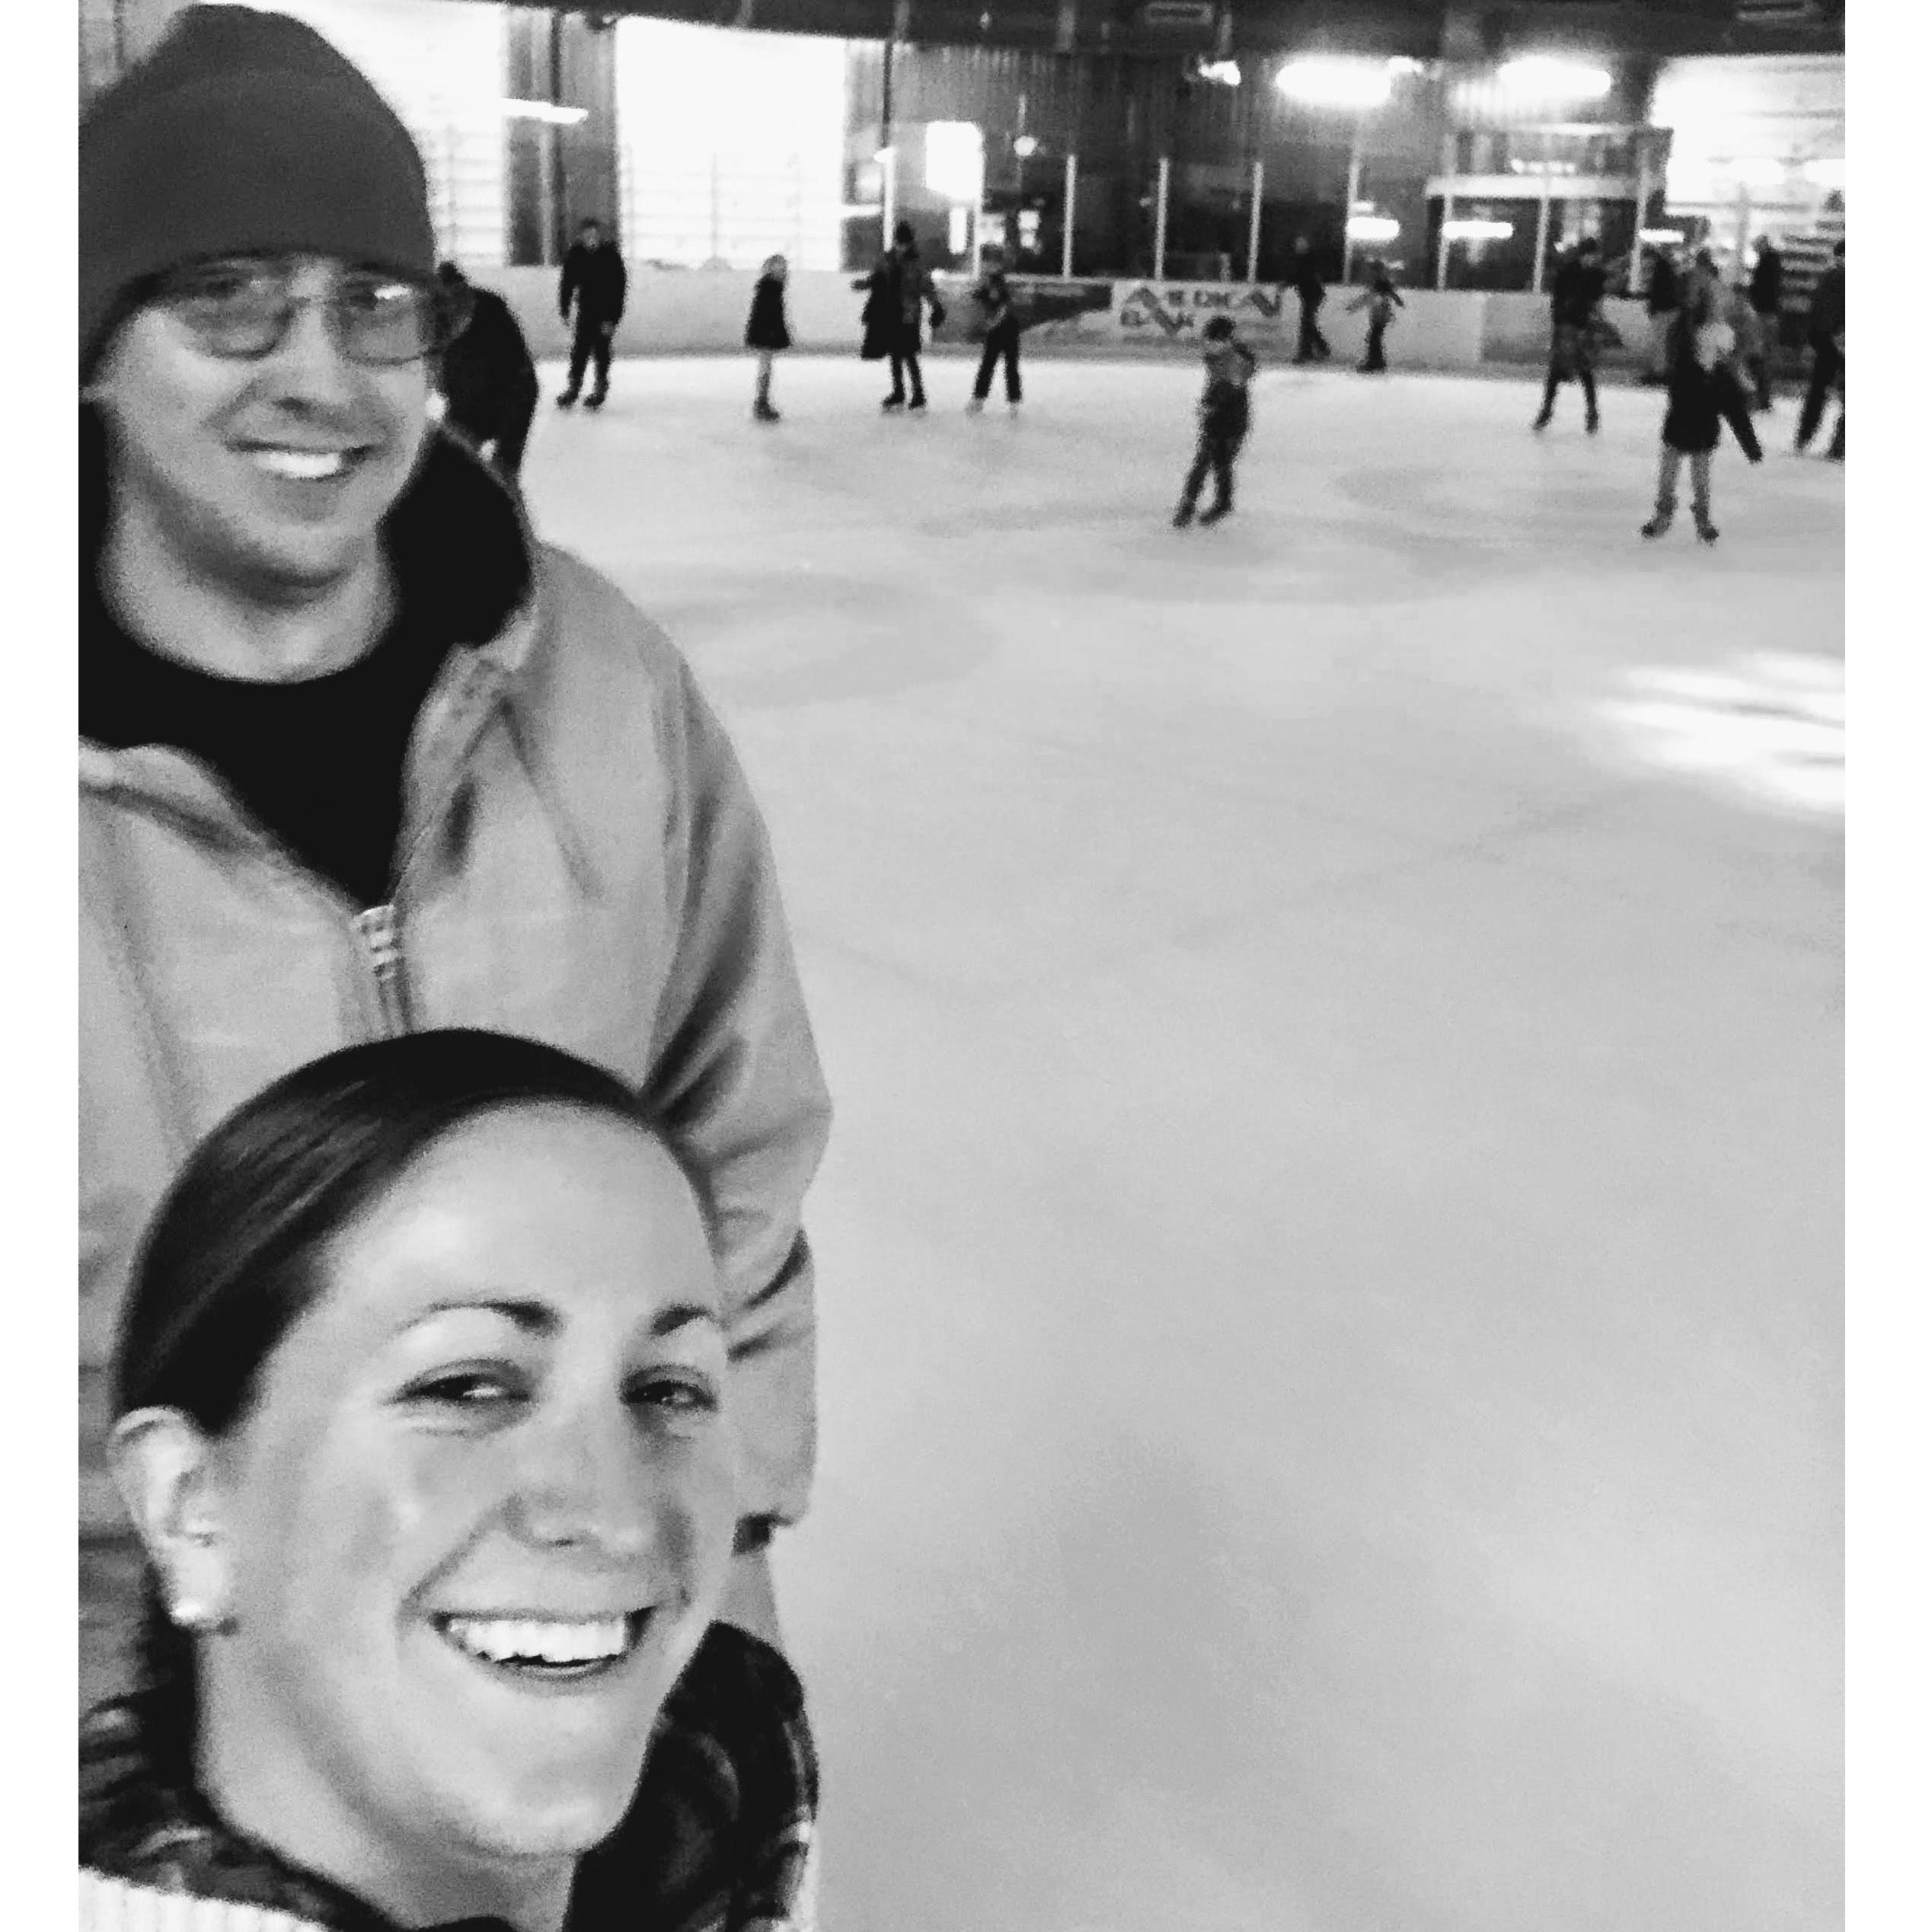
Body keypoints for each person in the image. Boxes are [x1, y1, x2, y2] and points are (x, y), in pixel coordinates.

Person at [78, 5, 831, 1726]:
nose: (316, 368)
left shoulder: (602, 682)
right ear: (91, 346)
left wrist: (727, 1568)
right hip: (142, 1723)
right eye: (226, 295)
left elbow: (736, 1151)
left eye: (374, 301)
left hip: (571, 1637)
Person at [81, 1031, 818, 1932]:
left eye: (669, 1387)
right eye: (466, 1387)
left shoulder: (740, 1825)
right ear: (189, 1506)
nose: (614, 1514)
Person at [1640, 257, 1762, 545]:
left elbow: (1735, 411)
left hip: (1698, 424)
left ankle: (1698, 517)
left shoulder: (1717, 375)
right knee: (1675, 470)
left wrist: (1750, 444)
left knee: (1696, 472)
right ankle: (1668, 515)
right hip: (1683, 420)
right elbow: (1681, 334)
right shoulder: (1688, 353)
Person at [435, 261, 539, 484]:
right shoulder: (437, 317)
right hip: (468, 399)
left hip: (513, 395)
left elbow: (508, 371)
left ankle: (502, 513)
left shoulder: (492, 313)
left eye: (455, 298)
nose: (451, 308)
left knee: (503, 474)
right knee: (447, 465)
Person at [1173, 315, 1256, 529]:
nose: (1208, 345)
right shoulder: (1216, 356)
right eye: (1208, 340)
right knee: (1204, 462)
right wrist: (1208, 404)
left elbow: (1229, 388)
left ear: (1226, 341)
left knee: (1221, 463)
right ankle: (1191, 502)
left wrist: (1211, 404)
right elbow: (1216, 383)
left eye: (1213, 341)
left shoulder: (1238, 361)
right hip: (1217, 420)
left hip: (1233, 421)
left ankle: (1220, 502)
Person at [854, 219, 945, 412]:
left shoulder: (917, 262)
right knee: (895, 354)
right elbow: (876, 280)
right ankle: (899, 392)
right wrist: (862, 284)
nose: (901, 246)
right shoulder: (887, 259)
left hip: (909, 314)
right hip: (889, 312)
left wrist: (936, 306)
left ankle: (918, 394)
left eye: (905, 243)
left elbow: (926, 287)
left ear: (910, 242)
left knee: (909, 354)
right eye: (899, 242)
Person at [1533, 236, 1608, 434]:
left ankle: (1591, 413)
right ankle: (1547, 411)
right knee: (1557, 372)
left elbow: (1597, 303)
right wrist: (1560, 324)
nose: (1595, 259)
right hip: (1568, 327)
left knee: (1585, 372)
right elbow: (1558, 301)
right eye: (1593, 256)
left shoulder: (1595, 275)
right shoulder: (1568, 272)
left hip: (1581, 328)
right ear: (1586, 255)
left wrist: (1596, 324)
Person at [557, 217, 628, 410]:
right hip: (585, 310)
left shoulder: (611, 255)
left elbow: (619, 288)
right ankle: (574, 387)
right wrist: (564, 308)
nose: (591, 237)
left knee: (601, 351)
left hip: (605, 311)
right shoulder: (576, 254)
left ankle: (600, 388)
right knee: (579, 350)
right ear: (582, 236)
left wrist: (613, 318)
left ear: (600, 235)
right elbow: (567, 282)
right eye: (588, 234)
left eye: (595, 234)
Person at [1795, 238, 1846, 453]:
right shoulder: (1834, 278)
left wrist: (1817, 339)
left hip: (1829, 341)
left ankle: (1805, 437)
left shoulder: (1829, 277)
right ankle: (1837, 445)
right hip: (1836, 341)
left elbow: (1817, 312)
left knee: (1818, 391)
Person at [967, 247, 1023, 414]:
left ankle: (1013, 402)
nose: (985, 266)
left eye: (988, 263)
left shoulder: (999, 284)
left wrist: (991, 324)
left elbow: (1004, 308)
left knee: (1009, 366)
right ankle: (979, 399)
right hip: (998, 330)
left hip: (1007, 330)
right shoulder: (987, 285)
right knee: (989, 365)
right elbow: (976, 298)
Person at [745, 254, 791, 423]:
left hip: (765, 331)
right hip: (765, 332)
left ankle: (762, 402)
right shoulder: (769, 287)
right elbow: (768, 313)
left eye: (784, 268)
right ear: (771, 269)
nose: (784, 271)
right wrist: (773, 332)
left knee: (766, 366)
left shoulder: (772, 286)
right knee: (765, 366)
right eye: (780, 268)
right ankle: (761, 403)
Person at [1747, 235, 1784, 411]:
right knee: (1765, 358)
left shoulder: (1766, 263)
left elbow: (1760, 289)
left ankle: (1760, 399)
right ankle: (1764, 398)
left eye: (1756, 248)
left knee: (1760, 356)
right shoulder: (1774, 262)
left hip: (1764, 315)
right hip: (1770, 315)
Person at [1346, 260, 1403, 372]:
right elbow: (1389, 294)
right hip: (1380, 314)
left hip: (1381, 314)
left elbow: (1372, 296)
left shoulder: (1380, 282)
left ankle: (1374, 363)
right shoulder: (1381, 281)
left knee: (1374, 338)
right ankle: (1378, 363)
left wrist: (1355, 306)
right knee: (1374, 338)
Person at [1641, 244, 1681, 384]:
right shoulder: (1666, 268)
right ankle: (1661, 370)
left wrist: (1653, 309)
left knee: (1660, 343)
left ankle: (1659, 372)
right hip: (1670, 310)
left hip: (1664, 311)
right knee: (1663, 343)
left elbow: (1657, 292)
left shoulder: (1660, 270)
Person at [1289, 236, 1331, 364]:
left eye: (1300, 245)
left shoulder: (1307, 260)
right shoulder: (1304, 260)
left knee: (1306, 324)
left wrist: (1286, 283)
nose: (1297, 247)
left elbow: (1301, 276)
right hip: (1310, 294)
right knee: (1308, 324)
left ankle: (1307, 353)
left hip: (1312, 294)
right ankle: (1320, 349)